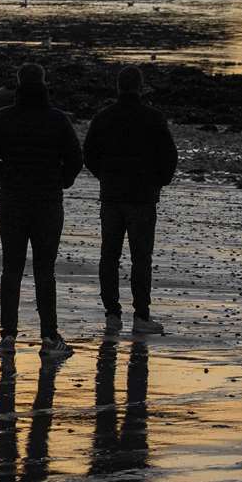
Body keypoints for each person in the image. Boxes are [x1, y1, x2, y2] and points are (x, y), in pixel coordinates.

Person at [0, 62, 82, 358]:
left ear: (18, 84)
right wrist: (62, 181)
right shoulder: (57, 120)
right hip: (47, 202)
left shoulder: (4, 119)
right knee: (44, 270)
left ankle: (8, 335)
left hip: (12, 200)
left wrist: (4, 178)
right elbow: (76, 158)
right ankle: (49, 337)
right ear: (44, 84)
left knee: (11, 269)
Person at [82, 65, 179, 336]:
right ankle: (141, 315)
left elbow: (88, 154)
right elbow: (169, 156)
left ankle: (112, 314)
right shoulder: (153, 118)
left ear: (118, 87)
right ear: (140, 86)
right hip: (142, 197)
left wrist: (104, 175)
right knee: (141, 258)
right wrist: (159, 181)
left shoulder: (104, 117)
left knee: (109, 256)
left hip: (112, 194)